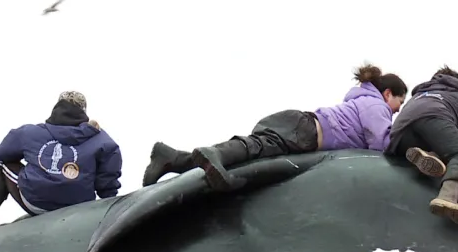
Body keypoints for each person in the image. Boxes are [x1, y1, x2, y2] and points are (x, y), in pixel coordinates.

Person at [141, 63, 408, 190]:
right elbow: (382, 145)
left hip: (302, 128)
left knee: (252, 160)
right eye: (400, 101)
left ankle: (173, 159)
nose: (398, 109)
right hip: (304, 130)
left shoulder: (365, 102)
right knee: (257, 148)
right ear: (387, 93)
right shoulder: (376, 107)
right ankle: (214, 154)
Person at [0, 91, 124, 236]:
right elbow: (107, 183)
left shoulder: (30, 132)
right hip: (79, 208)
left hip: (36, 203)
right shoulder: (102, 140)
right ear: (84, 112)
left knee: (4, 165)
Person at [385, 65, 458, 228]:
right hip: (434, 118)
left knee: (440, 144)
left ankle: (427, 155)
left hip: (400, 134)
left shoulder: (419, 94)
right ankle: (448, 198)